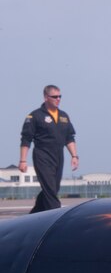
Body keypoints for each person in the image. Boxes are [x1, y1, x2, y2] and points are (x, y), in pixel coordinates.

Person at [19, 85, 78, 213]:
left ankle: (33, 216)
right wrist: (23, 160)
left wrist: (74, 156)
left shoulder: (64, 116)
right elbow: (26, 139)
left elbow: (69, 137)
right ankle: (57, 217)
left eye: (60, 96)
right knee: (50, 190)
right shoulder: (35, 116)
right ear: (46, 97)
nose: (58, 99)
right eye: (54, 97)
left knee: (52, 189)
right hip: (42, 156)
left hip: (58, 156)